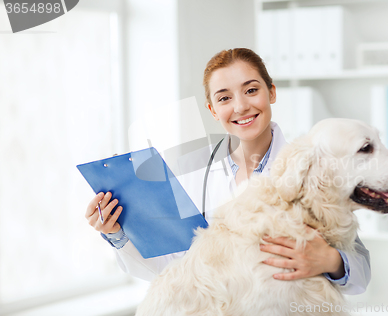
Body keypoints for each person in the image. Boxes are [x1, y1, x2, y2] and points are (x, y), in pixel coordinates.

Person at [85, 48, 371, 295]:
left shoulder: (310, 166)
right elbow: (174, 271)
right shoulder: (189, 171)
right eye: (224, 98)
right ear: (212, 110)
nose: (241, 106)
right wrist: (119, 234)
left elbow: (361, 271)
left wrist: (331, 261)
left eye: (251, 90)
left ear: (271, 92)